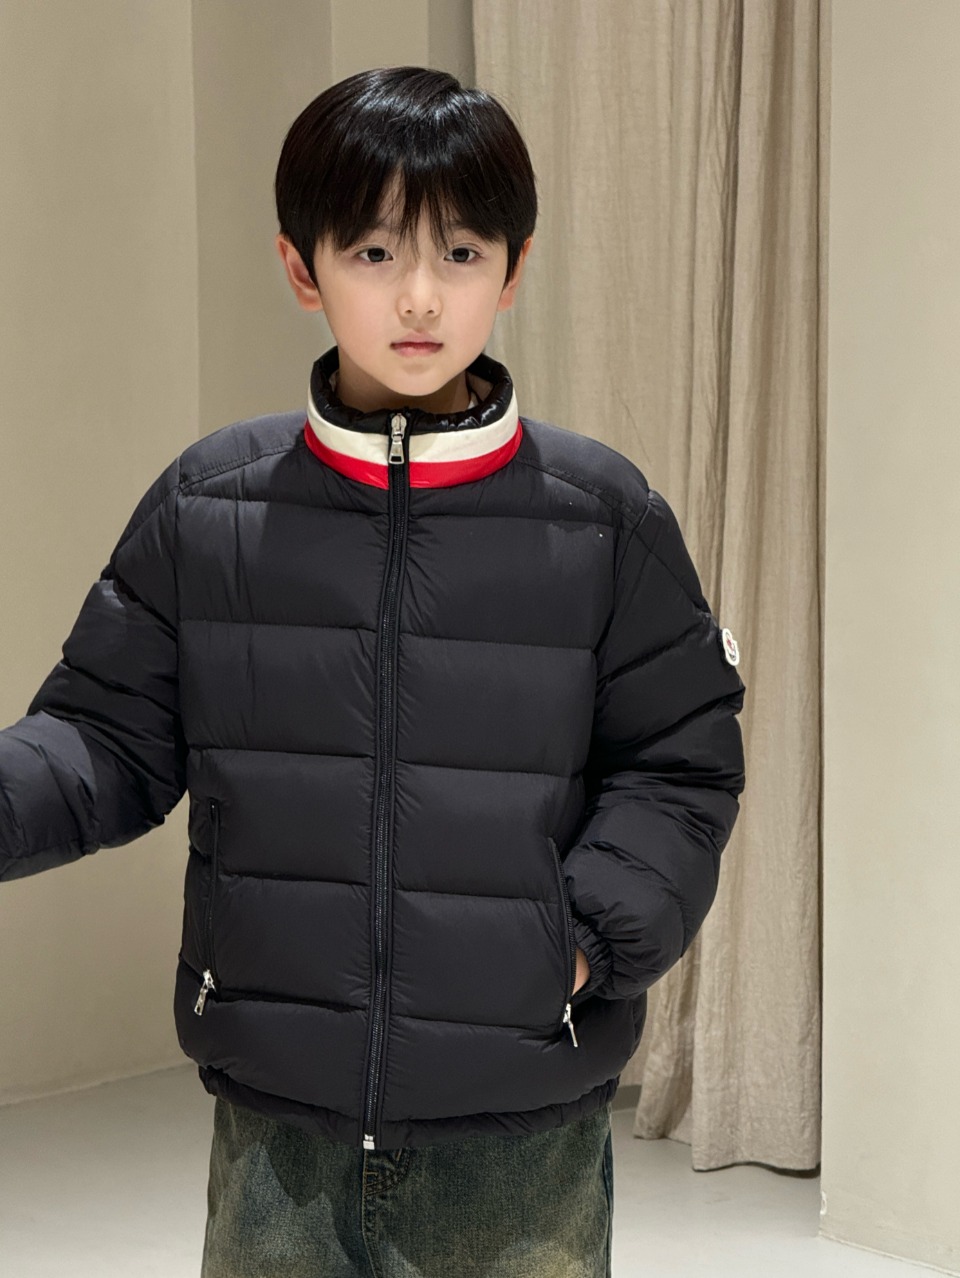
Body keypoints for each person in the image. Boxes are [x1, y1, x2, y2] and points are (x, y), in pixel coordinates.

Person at [0, 65, 746, 1278]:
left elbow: (681, 763)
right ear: (303, 268)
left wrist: (576, 943)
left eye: (461, 252)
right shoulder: (208, 509)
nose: (419, 296)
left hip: (518, 1143)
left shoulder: (603, 519)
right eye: (374, 251)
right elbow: (103, 741)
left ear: (515, 267)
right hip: (278, 1139)